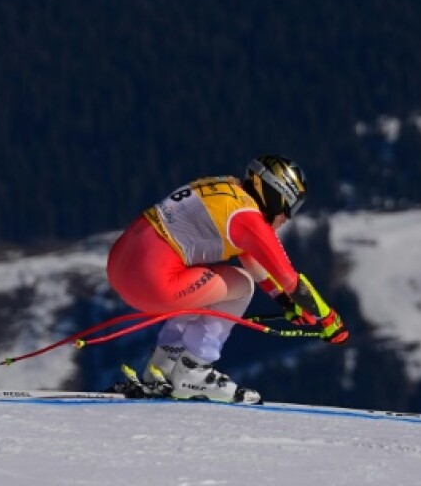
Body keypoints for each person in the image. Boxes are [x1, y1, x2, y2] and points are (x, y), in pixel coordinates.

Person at [106, 154, 348, 404]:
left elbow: (249, 256)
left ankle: (162, 367)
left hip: (120, 267)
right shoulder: (248, 218)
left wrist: (285, 303)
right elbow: (291, 281)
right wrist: (330, 320)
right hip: (153, 283)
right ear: (276, 196)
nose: (287, 218)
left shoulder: (227, 189)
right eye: (291, 207)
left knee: (201, 282)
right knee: (242, 286)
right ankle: (193, 369)